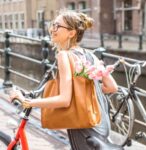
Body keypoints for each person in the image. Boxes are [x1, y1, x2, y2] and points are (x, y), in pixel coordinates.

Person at [10, 10, 122, 150]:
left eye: (57, 26)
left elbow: (64, 100)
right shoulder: (90, 55)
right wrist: (84, 93)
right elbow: (112, 87)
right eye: (52, 24)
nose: (52, 29)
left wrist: (27, 102)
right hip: (101, 122)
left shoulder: (64, 56)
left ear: (71, 33)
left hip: (84, 125)